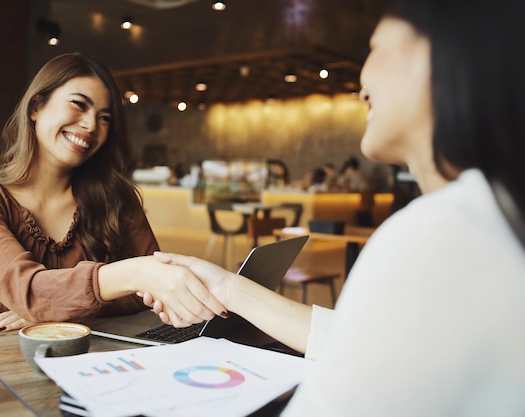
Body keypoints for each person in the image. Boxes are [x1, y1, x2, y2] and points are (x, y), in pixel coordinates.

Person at [150, 0, 525, 415]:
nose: (361, 83)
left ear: (443, 55)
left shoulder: (439, 229)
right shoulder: (492, 215)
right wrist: (229, 289)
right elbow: (373, 347)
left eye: (375, 47)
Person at [0, 53, 225, 333]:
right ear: (36, 107)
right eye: (79, 104)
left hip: (102, 354)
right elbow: (27, 292)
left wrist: (56, 310)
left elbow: (147, 296)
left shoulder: (116, 197)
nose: (91, 125)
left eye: (104, 118)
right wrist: (133, 274)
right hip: (1, 356)